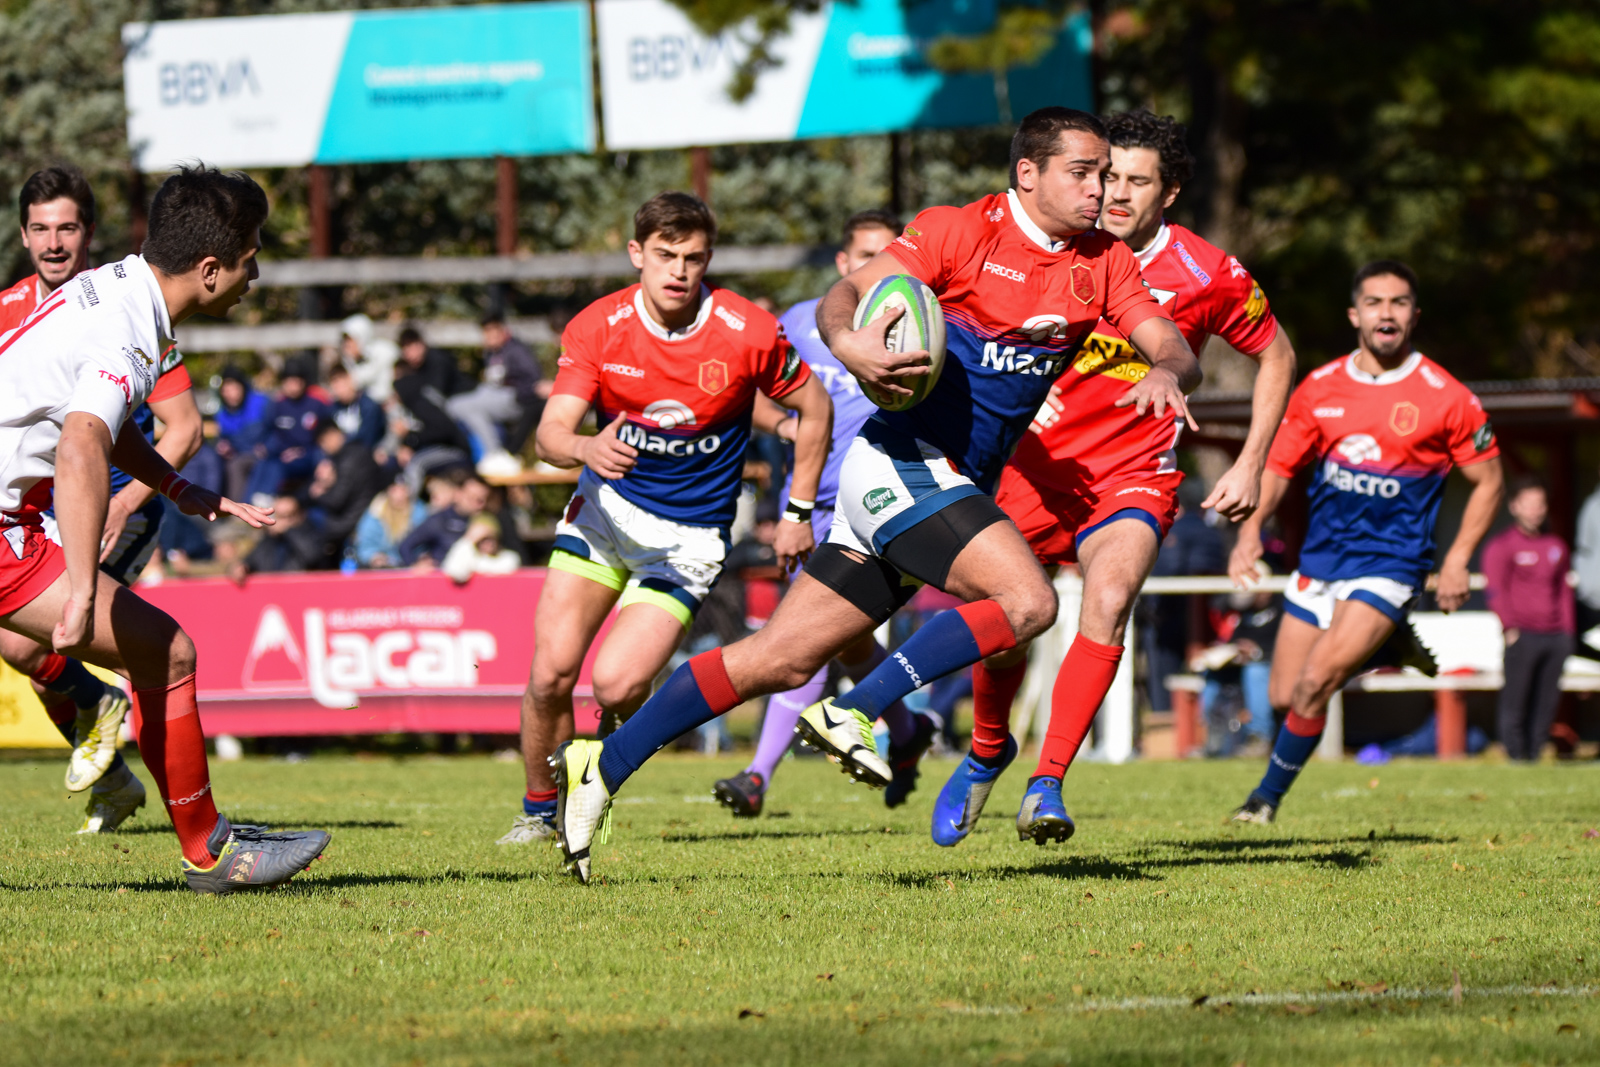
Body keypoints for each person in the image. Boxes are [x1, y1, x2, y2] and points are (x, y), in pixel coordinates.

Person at [546, 108, 1202, 883]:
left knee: (779, 661)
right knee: (1028, 602)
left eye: (1106, 173)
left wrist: (1166, 369)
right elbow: (845, 295)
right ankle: (857, 710)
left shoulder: (1104, 260)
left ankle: (604, 761)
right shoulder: (959, 231)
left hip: (939, 480)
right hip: (903, 460)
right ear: (1029, 173)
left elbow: (1166, 338)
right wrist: (851, 341)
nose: (1102, 190)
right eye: (1084, 172)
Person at [933, 109, 1296, 847]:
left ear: (1171, 192)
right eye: (1104, 176)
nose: (1113, 193)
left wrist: (1253, 460)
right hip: (1031, 468)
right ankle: (986, 750)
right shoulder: (1051, 246)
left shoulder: (1207, 272)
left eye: (1134, 180)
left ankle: (1048, 784)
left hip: (1133, 472)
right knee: (1007, 629)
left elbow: (1279, 354)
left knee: (1109, 597)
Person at [0, 163, 328, 890]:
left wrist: (176, 486)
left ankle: (209, 841)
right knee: (168, 653)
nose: (257, 272)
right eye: (252, 255)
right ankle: (211, 851)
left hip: (11, 519)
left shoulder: (120, 286)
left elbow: (95, 420)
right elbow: (82, 440)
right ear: (210, 269)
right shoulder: (126, 330)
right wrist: (83, 588)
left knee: (159, 653)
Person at [495, 191, 830, 849]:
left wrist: (798, 509)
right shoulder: (600, 326)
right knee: (548, 675)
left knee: (617, 683)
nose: (678, 270)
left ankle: (598, 774)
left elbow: (815, 407)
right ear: (637, 254)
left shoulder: (749, 330)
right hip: (604, 517)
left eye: (693, 258)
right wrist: (588, 447)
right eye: (665, 255)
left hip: (687, 538)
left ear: (708, 260)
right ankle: (540, 813)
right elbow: (549, 434)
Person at [1227, 260, 1504, 823]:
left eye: (1399, 303)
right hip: (1322, 562)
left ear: (1414, 315)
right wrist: (1250, 532)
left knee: (1314, 684)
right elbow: (1278, 467)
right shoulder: (1321, 388)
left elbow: (1489, 481)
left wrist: (1455, 560)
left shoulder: (1446, 396)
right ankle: (1383, 646)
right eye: (1375, 302)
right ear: (1355, 314)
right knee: (1284, 697)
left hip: (1392, 564)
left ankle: (1263, 802)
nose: (1387, 313)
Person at [0, 166, 206, 835]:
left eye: (68, 226)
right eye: (40, 228)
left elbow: (184, 429)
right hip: (33, 506)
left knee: (133, 650)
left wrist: (136, 502)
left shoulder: (130, 312)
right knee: (26, 649)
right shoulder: (12, 309)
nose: (54, 241)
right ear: (24, 234)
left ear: (89, 232)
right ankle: (119, 776)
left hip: (113, 503)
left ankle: (196, 826)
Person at [712, 208, 936, 819]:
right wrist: (788, 425)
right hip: (812, 508)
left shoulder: (923, 327)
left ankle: (757, 775)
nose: (876, 267)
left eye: (890, 253)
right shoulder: (801, 325)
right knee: (844, 641)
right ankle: (908, 729)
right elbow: (748, 395)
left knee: (805, 636)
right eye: (865, 255)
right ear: (843, 264)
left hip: (888, 503)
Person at [1482, 477, 1574, 761]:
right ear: (1514, 507)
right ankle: (1515, 755)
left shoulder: (1556, 546)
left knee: (1546, 701)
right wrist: (1509, 627)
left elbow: (1564, 591)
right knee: (1517, 699)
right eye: (1528, 504)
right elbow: (1495, 590)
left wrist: (1568, 632)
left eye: (1540, 504)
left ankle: (1535, 753)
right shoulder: (1502, 546)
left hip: (1555, 636)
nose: (1535, 511)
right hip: (1523, 634)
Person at [447, 315, 551, 479]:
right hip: (496, 397)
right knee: (461, 407)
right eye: (486, 333)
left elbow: (534, 381)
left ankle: (495, 453)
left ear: (504, 331)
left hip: (515, 399)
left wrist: (517, 392)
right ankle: (494, 453)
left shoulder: (516, 350)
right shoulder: (491, 353)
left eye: (493, 332)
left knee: (461, 406)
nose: (489, 337)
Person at [243, 356, 330, 506]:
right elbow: (268, 430)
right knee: (264, 460)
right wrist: (265, 447)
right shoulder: (277, 405)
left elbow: (326, 436)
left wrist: (300, 452)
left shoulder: (316, 404)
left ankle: (265, 499)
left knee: (278, 464)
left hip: (309, 454)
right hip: (282, 452)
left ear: (304, 381)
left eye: (296, 381)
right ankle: (248, 503)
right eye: (289, 381)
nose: (292, 386)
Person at [399, 472, 491, 567]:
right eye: (473, 498)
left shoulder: (488, 521)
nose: (480, 505)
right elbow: (405, 546)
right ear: (458, 494)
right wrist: (415, 566)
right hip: (445, 578)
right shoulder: (439, 520)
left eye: (483, 500)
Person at [213, 366, 271, 501]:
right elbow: (223, 439)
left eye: (234, 388)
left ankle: (244, 507)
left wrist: (268, 446)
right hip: (240, 455)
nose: (230, 394)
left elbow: (274, 429)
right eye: (226, 390)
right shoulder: (223, 413)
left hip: (265, 454)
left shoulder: (261, 403)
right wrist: (223, 446)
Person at [355, 478, 427, 568]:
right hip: (383, 567)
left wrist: (422, 557)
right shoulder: (376, 512)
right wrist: (374, 557)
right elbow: (365, 543)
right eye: (394, 489)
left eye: (403, 489)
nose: (399, 494)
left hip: (412, 566)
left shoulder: (420, 512)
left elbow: (425, 545)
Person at [442, 514, 521, 584]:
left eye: (490, 538)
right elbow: (455, 571)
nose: (487, 543)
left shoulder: (508, 558)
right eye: (482, 539)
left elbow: (505, 568)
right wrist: (468, 540)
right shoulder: (469, 556)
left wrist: (473, 567)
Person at [339, 313, 399, 403]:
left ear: (362, 337)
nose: (347, 345)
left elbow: (384, 391)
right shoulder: (348, 362)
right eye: (345, 340)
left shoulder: (385, 352)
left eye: (350, 339)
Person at [326, 363, 386, 451]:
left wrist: (340, 443)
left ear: (350, 380)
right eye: (335, 384)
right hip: (342, 456)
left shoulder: (368, 406)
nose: (340, 389)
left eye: (342, 382)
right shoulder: (333, 409)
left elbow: (367, 439)